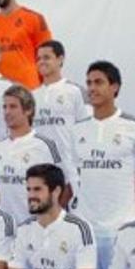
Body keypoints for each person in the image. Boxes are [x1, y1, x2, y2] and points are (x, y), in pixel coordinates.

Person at [72, 60, 135, 269]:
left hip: (122, 224)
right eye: (88, 83)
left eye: (99, 82)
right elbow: (73, 174)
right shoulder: (77, 130)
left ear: (115, 88)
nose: (92, 88)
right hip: (87, 224)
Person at [0, 85, 66, 224]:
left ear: (28, 110)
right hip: (6, 229)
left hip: (35, 228)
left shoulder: (44, 145)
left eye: (13, 107)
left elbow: (63, 187)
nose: (7, 112)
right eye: (5, 107)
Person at [32, 40, 90, 177]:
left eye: (46, 57)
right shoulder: (31, 96)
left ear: (60, 59)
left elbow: (87, 130)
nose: (41, 62)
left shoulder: (76, 91)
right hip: (38, 169)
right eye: (38, 59)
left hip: (69, 169)